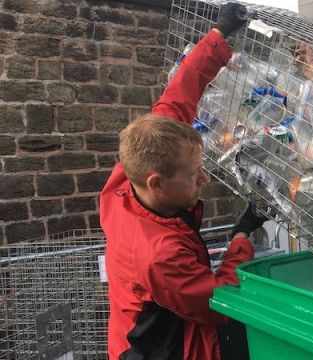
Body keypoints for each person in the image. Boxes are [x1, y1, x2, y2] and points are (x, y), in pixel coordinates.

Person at [100, 3, 264, 359]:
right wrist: (241, 235)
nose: (204, 178)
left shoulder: (133, 169)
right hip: (159, 350)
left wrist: (219, 35)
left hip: (130, 327)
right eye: (193, 175)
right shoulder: (161, 256)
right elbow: (221, 301)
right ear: (156, 183)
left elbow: (179, 97)